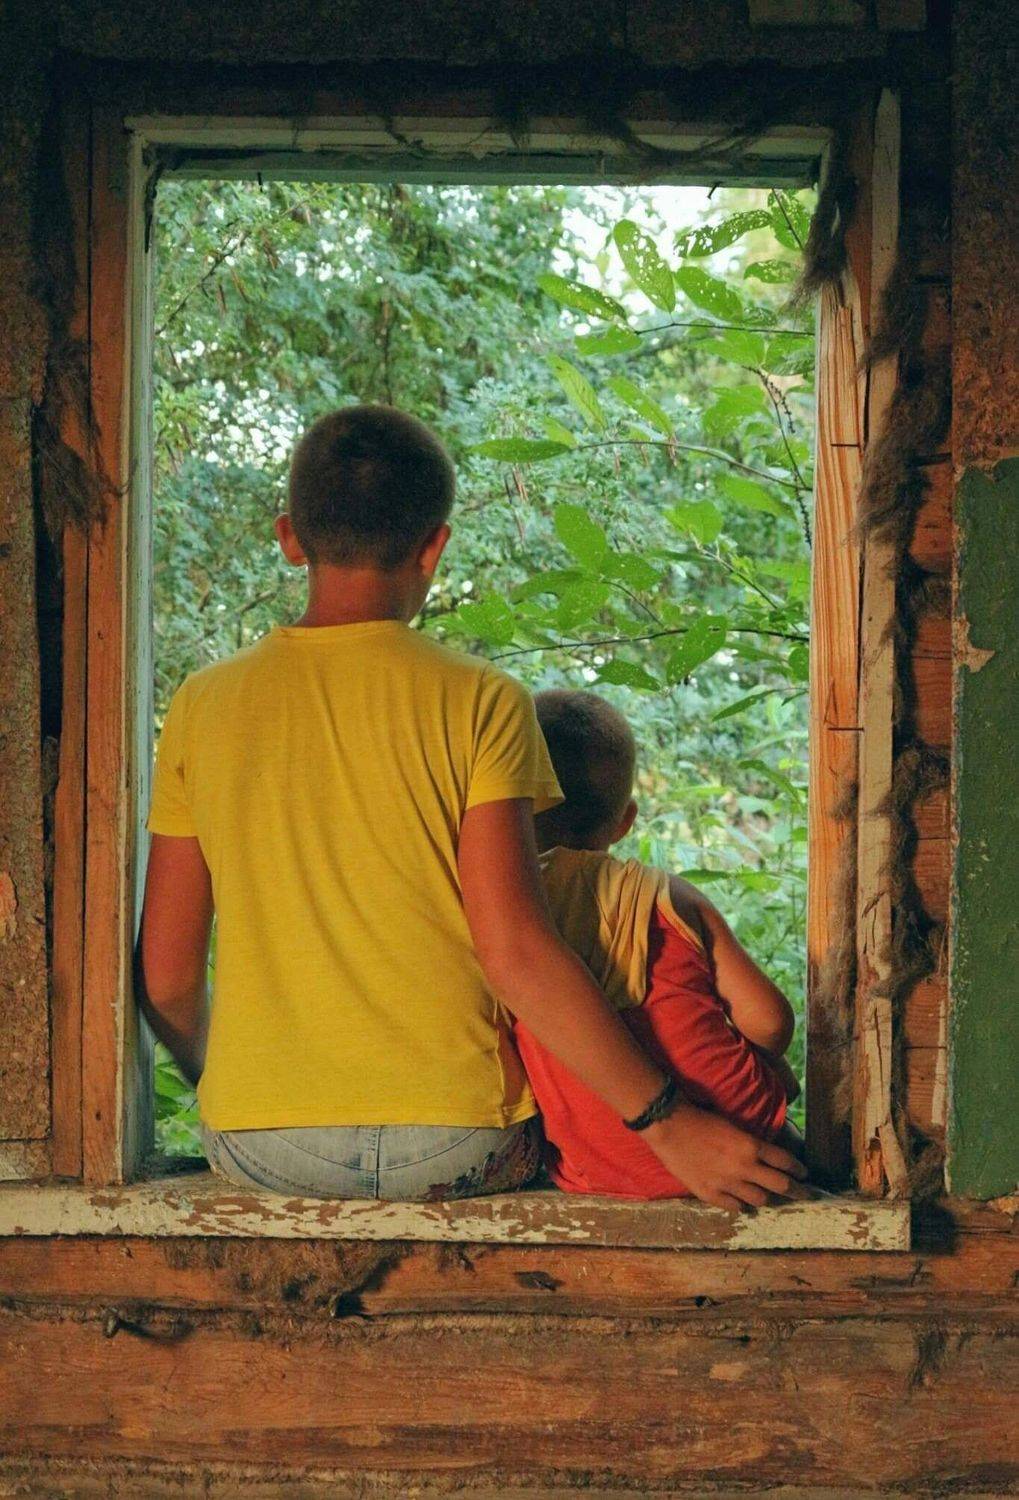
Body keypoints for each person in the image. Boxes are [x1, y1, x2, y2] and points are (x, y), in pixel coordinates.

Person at [137, 403, 806, 1207]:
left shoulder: (203, 705)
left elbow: (167, 978)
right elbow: (516, 953)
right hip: (458, 1142)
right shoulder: (482, 700)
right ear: (434, 546)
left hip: (260, 1146)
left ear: (289, 537)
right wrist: (669, 1126)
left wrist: (242, 1094)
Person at [514, 688, 802, 1199]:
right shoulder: (668, 897)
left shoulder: (505, 912)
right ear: (626, 820)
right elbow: (770, 1021)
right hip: (741, 1145)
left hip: (601, 1170)